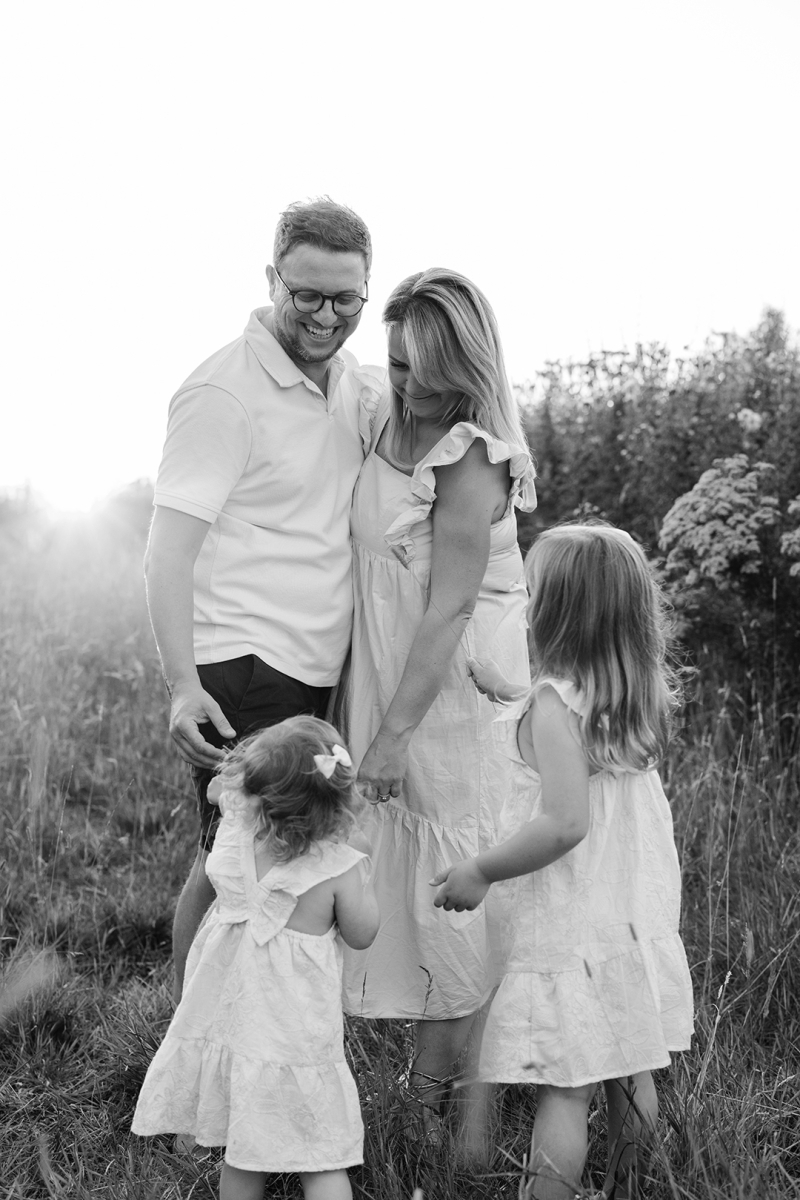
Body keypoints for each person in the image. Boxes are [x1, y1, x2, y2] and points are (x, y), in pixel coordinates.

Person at [143, 197, 382, 999]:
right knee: (233, 862)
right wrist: (184, 686)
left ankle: (258, 1030)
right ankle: (194, 1037)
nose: (324, 315)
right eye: (304, 294)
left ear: (365, 291)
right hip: (242, 664)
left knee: (287, 864)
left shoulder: (356, 383)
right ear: (270, 278)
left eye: (345, 298)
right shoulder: (223, 392)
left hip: (320, 668)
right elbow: (166, 552)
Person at [432, 524, 695, 1199]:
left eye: (532, 587)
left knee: (567, 1084)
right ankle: (628, 1184)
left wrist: (483, 869)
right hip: (627, 916)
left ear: (556, 612)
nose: (523, 596)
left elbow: (567, 821)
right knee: (632, 1064)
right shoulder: (636, 695)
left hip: (571, 919)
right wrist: (505, 687)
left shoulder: (556, 705)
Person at [340, 268, 537, 1134]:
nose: (403, 382)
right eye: (392, 361)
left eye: (420, 368)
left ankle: (427, 1114)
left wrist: (392, 738)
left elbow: (451, 609)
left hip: (445, 701)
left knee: (448, 899)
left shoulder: (470, 457)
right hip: (381, 675)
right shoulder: (382, 416)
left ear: (462, 363)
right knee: (381, 884)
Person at [132, 716, 380, 1200]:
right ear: (338, 803)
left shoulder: (233, 829)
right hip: (298, 1029)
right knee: (320, 1153)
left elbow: (218, 793)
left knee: (242, 1149)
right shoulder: (339, 864)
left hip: (237, 1015)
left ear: (257, 791)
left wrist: (239, 780)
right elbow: (363, 933)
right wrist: (365, 864)